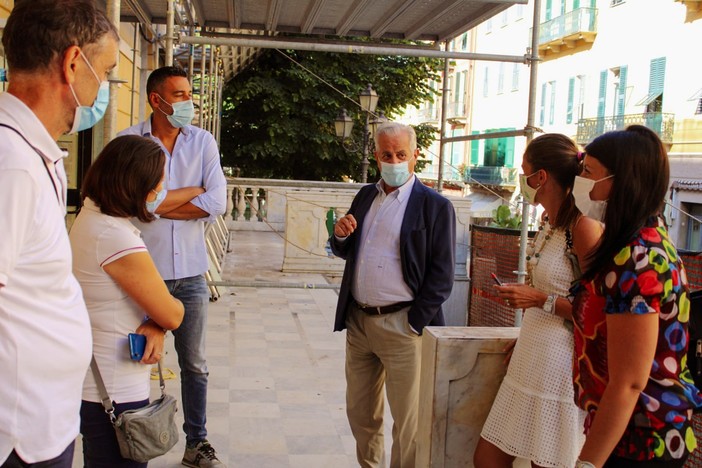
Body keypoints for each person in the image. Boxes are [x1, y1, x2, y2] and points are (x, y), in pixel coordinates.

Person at [0, 1, 118, 466]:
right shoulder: (11, 164)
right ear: (73, 63)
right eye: (105, 70)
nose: (104, 86)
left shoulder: (30, 152)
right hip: (18, 433)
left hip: (41, 422)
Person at [570, 125, 702, 467]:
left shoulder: (639, 259)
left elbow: (629, 382)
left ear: (621, 181)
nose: (580, 181)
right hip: (634, 432)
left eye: (588, 172)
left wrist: (588, 463)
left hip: (642, 440)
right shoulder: (638, 246)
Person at [118, 66, 227, 468]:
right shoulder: (127, 142)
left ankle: (196, 444)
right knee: (134, 360)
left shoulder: (203, 142)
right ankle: (130, 437)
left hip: (193, 274)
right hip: (141, 273)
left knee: (194, 364)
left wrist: (157, 204)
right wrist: (188, 194)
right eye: (178, 95)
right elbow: (133, 204)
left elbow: (217, 202)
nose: (188, 102)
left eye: (189, 94)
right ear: (156, 100)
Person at [330, 121, 456, 468]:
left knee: (409, 424)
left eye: (402, 154)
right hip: (359, 324)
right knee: (360, 414)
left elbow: (442, 276)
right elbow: (346, 249)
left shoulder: (435, 206)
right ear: (376, 156)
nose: (395, 160)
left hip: (404, 328)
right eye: (387, 154)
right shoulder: (366, 195)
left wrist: (414, 324)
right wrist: (340, 236)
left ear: (416, 155)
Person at [474, 134, 603, 468]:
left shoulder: (584, 228)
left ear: (541, 177)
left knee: (545, 463)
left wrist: (539, 300)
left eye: (525, 171)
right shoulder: (549, 222)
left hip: (561, 362)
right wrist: (528, 329)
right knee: (488, 458)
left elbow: (597, 311)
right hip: (531, 354)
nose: (523, 179)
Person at [69, 135, 185, 467]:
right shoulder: (114, 237)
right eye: (158, 183)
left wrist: (154, 321)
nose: (161, 191)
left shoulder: (90, 220)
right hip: (116, 392)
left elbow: (153, 310)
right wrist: (160, 319)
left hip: (97, 383)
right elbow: (173, 312)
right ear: (135, 184)